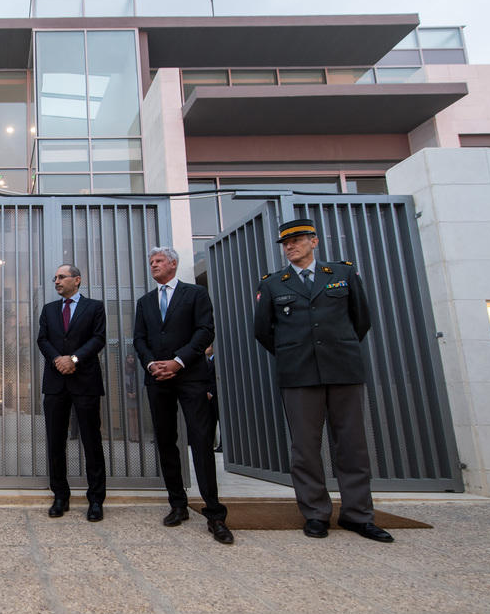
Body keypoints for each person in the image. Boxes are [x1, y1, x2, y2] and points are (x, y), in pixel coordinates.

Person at [253, 218, 393, 543]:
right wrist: (293, 354)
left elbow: (362, 319)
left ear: (314, 242)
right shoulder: (273, 284)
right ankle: (315, 513)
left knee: (353, 445)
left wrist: (336, 349)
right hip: (299, 374)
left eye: (298, 240)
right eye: (286, 243)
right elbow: (263, 331)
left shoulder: (341, 274)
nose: (291, 246)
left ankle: (358, 515)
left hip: (343, 369)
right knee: (304, 448)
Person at [133, 247, 234, 545]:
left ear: (173, 264)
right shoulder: (145, 302)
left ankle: (215, 513)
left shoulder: (195, 295)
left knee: (201, 442)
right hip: (157, 379)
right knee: (165, 441)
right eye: (150, 262)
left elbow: (205, 331)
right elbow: (139, 338)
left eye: (159, 261)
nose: (153, 265)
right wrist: (152, 364)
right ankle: (178, 505)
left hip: (190, 377)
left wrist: (178, 362)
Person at [37, 264, 107, 522]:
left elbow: (98, 338)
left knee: (91, 441)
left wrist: (74, 359)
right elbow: (42, 339)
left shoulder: (95, 307)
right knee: (56, 441)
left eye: (61, 277)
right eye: (54, 277)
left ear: (77, 280)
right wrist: (58, 359)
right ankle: (60, 496)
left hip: (85, 382)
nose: (56, 281)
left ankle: (96, 500)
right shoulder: (49, 310)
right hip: (55, 383)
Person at [205, 345, 222, 453]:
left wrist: (211, 393)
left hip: (215, 397)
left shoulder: (216, 360)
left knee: (220, 421)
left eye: (207, 347)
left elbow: (217, 378)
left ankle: (222, 445)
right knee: (211, 422)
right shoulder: (208, 361)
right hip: (209, 398)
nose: (205, 349)